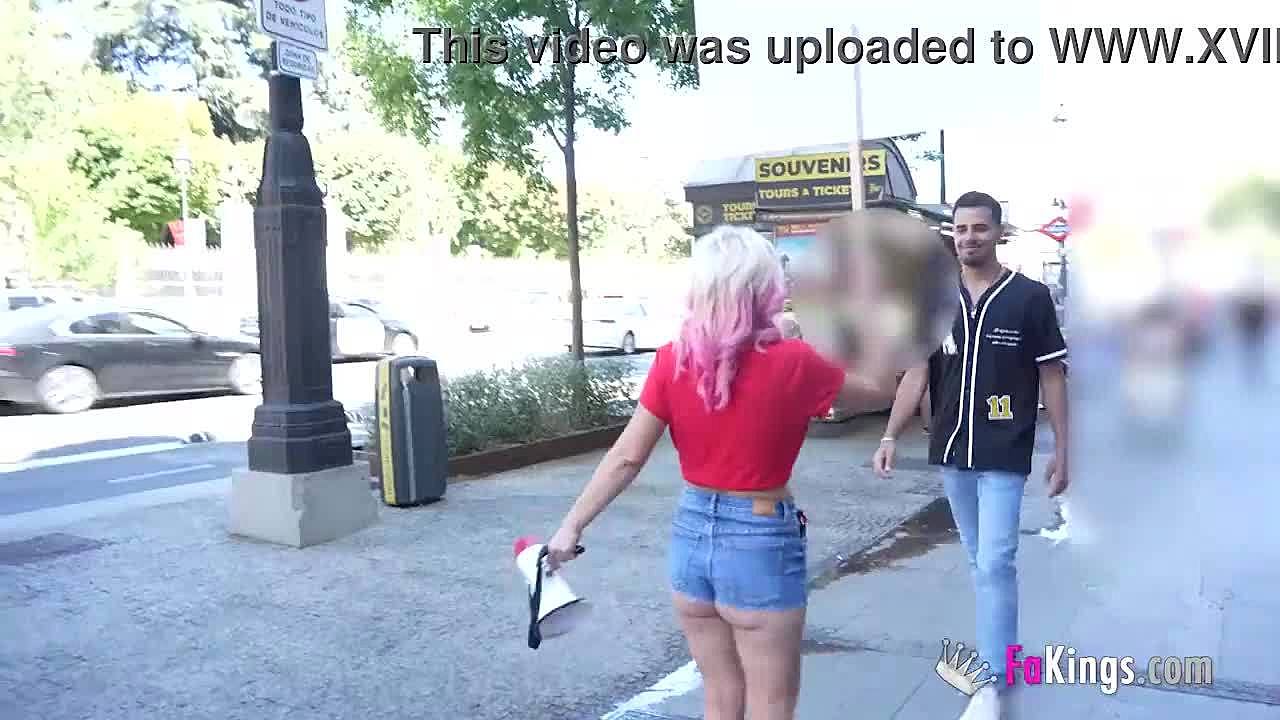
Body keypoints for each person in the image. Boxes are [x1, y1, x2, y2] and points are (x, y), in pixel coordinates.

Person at [545, 225, 898, 720]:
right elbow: (883, 388)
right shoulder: (796, 362)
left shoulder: (672, 360)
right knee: (771, 703)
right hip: (760, 537)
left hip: (691, 535)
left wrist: (571, 526)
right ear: (765, 290)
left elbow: (626, 457)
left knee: (720, 695)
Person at [872, 191, 1069, 720]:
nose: (968, 238)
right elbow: (917, 372)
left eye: (979, 228)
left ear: (998, 233)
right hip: (952, 450)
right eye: (960, 229)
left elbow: (1052, 375)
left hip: (1005, 448)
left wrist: (1064, 451)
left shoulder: (1029, 298)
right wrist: (890, 435)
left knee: (996, 561)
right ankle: (1005, 655)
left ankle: (992, 680)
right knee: (982, 563)